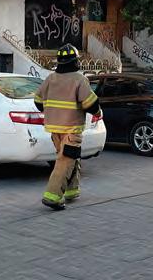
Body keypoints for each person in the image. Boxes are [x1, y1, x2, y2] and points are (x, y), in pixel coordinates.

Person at [34, 44, 101, 211]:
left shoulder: (50, 79)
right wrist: (97, 111)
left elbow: (38, 101)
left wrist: (52, 112)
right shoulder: (79, 79)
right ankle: (52, 196)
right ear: (76, 61)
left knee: (71, 158)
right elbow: (90, 104)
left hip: (54, 129)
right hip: (71, 128)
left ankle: (72, 190)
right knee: (65, 161)